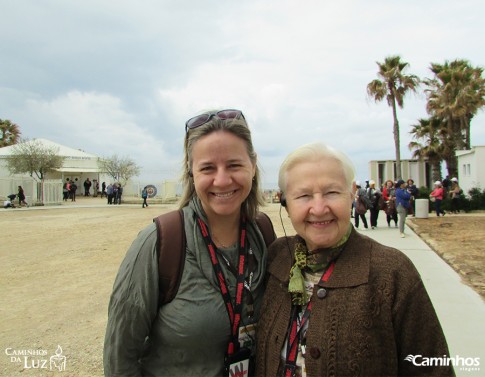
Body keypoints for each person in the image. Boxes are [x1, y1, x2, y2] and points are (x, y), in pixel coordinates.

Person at [255, 142, 453, 377]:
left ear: (351, 194)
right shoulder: (277, 257)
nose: (319, 208)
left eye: (332, 192)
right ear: (285, 204)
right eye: (304, 195)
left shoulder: (391, 272)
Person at [104, 109, 271, 376]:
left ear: (252, 165)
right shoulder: (161, 241)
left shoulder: (263, 233)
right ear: (192, 173)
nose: (222, 179)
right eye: (207, 168)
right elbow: (120, 356)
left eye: (234, 165)